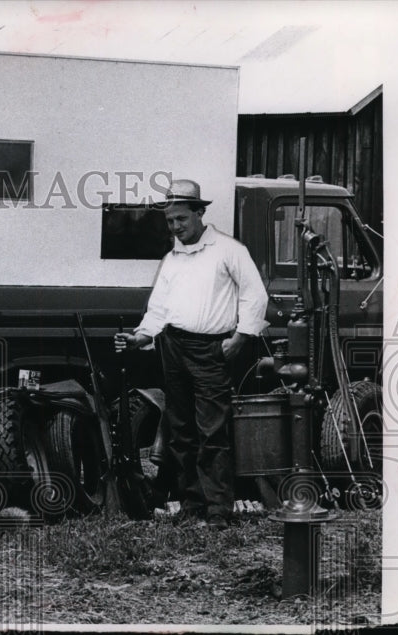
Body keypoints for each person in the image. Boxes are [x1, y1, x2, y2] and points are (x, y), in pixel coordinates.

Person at [115, 179, 268, 529]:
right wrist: (140, 337)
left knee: (212, 430)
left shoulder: (229, 251)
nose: (175, 227)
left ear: (200, 213)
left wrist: (241, 337)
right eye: (170, 222)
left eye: (181, 219)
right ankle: (192, 504)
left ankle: (218, 511)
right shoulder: (172, 258)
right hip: (173, 347)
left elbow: (254, 295)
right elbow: (160, 308)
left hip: (211, 349)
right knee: (181, 431)